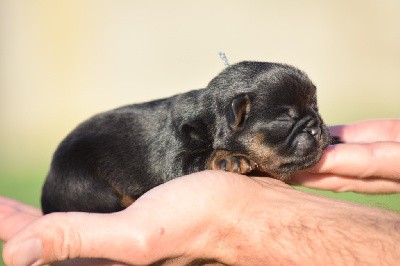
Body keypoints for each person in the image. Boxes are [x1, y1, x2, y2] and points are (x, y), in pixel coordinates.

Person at [1, 119, 399, 265]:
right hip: (86, 182)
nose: (318, 128)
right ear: (236, 115)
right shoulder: (186, 137)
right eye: (291, 120)